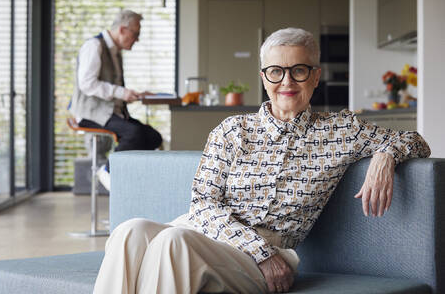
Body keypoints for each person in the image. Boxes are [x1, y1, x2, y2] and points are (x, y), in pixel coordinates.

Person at [93, 28, 430, 293]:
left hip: (264, 255)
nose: (286, 82)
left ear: (315, 76)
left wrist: (386, 156)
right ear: (263, 76)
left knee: (171, 242)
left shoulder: (341, 130)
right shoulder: (231, 130)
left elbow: (413, 140)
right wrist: (258, 251)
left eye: (298, 70)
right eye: (275, 71)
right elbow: (203, 205)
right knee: (130, 231)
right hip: (209, 235)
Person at [69, 10, 162, 191]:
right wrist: (121, 93)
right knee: (134, 133)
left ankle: (129, 176)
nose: (137, 39)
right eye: (135, 34)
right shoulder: (94, 46)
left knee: (153, 137)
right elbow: (87, 84)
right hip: (90, 113)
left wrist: (133, 95)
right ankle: (108, 171)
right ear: (122, 29)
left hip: (111, 113)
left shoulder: (115, 52)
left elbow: (112, 89)